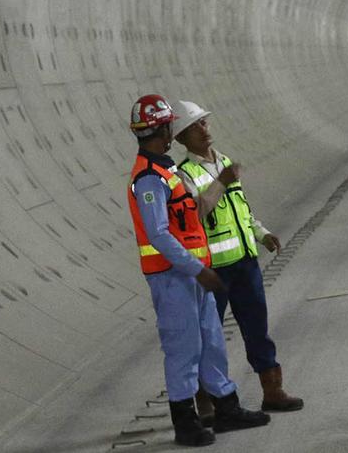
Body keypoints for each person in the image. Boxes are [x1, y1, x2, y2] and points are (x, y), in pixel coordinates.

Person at [126, 94, 270, 447]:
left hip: (194, 274)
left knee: (211, 341)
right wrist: (195, 268)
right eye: (169, 125)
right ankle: (185, 422)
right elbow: (158, 233)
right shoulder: (148, 178)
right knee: (183, 347)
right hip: (172, 277)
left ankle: (226, 408)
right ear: (162, 128)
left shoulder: (167, 170)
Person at [171, 100, 304, 421]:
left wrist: (262, 234)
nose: (204, 130)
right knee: (209, 337)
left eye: (204, 123)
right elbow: (198, 212)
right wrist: (223, 181)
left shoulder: (225, 162)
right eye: (195, 127)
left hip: (245, 262)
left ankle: (272, 391)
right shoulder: (183, 174)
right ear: (181, 139)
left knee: (257, 326)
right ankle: (208, 402)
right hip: (213, 269)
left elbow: (241, 209)